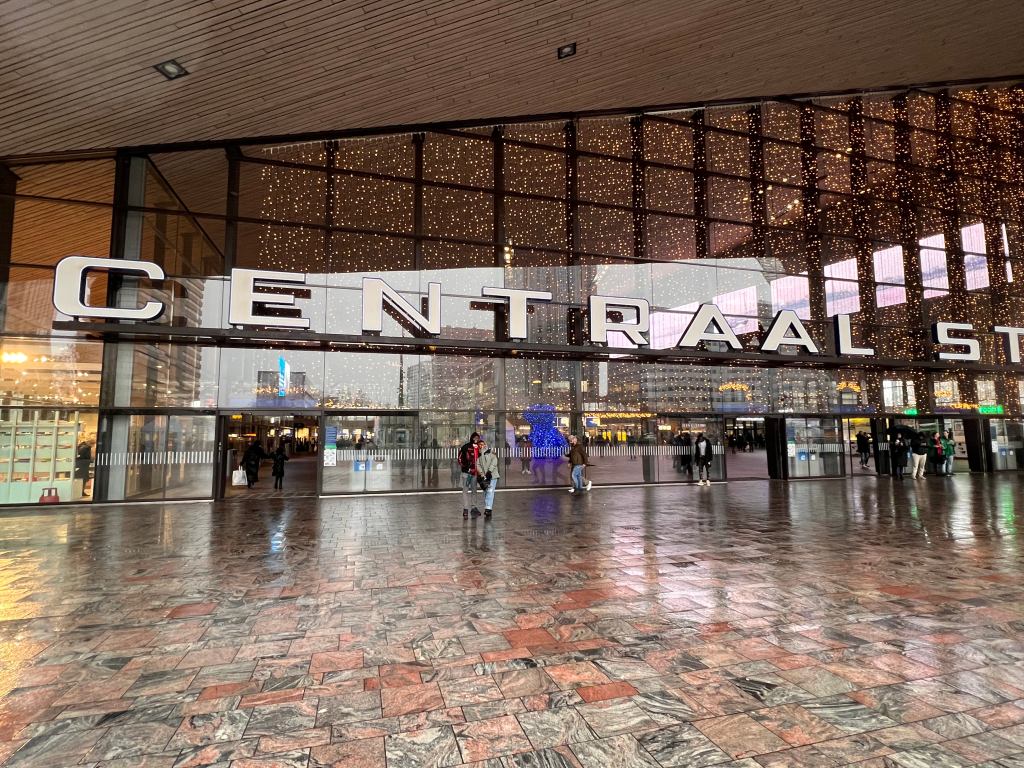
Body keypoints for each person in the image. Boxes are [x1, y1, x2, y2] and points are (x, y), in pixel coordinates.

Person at [458, 432, 482, 519]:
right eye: (475, 438)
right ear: (472, 438)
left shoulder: (479, 447)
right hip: (466, 473)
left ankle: (474, 508)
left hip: (475, 473)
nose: (476, 439)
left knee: (474, 491)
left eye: (477, 438)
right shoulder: (466, 447)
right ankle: (465, 509)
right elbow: (460, 458)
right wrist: (466, 468)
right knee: (465, 490)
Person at [475, 438, 500, 518]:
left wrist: (489, 471)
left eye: (482, 444)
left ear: (485, 444)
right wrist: (482, 474)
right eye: (479, 445)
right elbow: (477, 465)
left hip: (492, 476)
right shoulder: (478, 455)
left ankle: (488, 509)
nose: (481, 446)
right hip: (484, 477)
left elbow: (494, 461)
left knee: (490, 491)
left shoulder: (490, 452)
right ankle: (488, 508)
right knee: (486, 491)